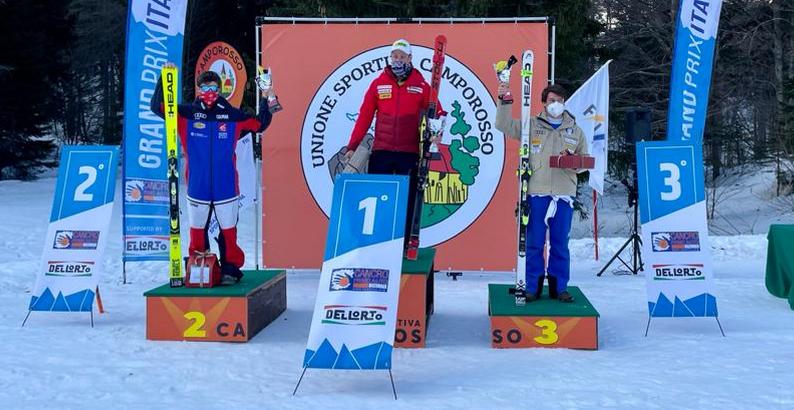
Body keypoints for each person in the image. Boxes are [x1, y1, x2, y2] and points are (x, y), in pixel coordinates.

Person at [151, 62, 277, 283]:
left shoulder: (232, 115)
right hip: (197, 185)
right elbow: (157, 107)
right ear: (198, 89)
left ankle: (230, 268)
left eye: (213, 88)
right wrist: (164, 78)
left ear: (220, 90)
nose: (209, 92)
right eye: (205, 88)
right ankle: (199, 265)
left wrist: (268, 95)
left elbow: (260, 124)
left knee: (228, 230)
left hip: (225, 185)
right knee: (197, 230)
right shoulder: (186, 113)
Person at [345, 39, 444, 248]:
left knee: (407, 200)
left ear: (410, 58)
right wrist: (352, 146)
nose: (398, 60)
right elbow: (364, 117)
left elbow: (438, 111)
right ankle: (376, 243)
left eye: (402, 56)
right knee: (379, 197)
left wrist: (437, 131)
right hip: (382, 151)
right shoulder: (378, 84)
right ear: (390, 58)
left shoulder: (420, 85)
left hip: (408, 153)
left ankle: (404, 243)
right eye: (395, 56)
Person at [495, 82, 588, 302]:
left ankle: (559, 287)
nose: (556, 104)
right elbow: (503, 125)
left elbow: (584, 161)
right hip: (536, 192)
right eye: (552, 100)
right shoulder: (531, 125)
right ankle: (532, 286)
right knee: (534, 243)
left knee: (560, 243)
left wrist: (574, 162)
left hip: (563, 195)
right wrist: (504, 100)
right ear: (544, 103)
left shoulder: (575, 130)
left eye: (560, 101)